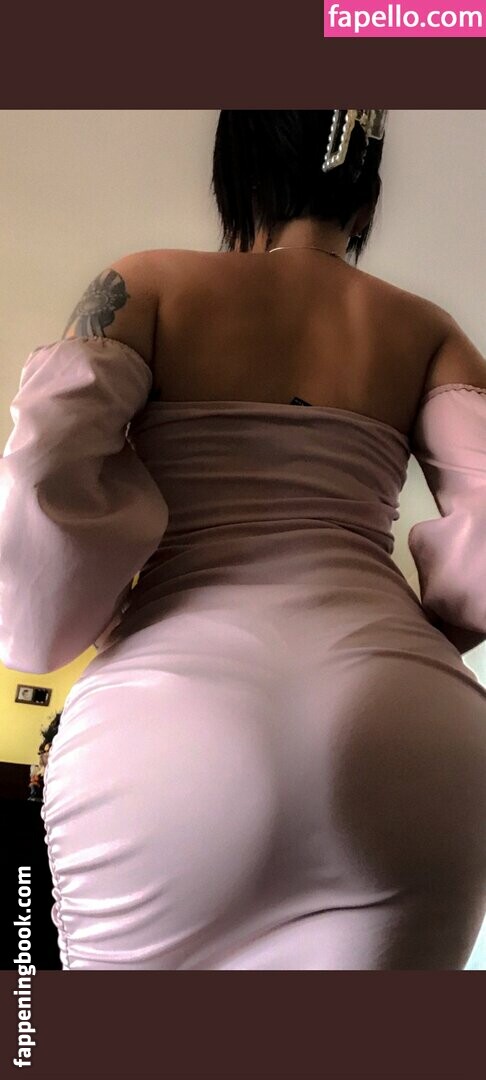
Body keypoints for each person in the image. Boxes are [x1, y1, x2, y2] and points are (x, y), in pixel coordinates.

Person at [0, 109, 485, 970]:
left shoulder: (145, 285)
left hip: (168, 732)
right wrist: (417, 641)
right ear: (364, 200)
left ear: (235, 177)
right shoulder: (432, 333)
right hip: (411, 734)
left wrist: (59, 613)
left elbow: (42, 475)